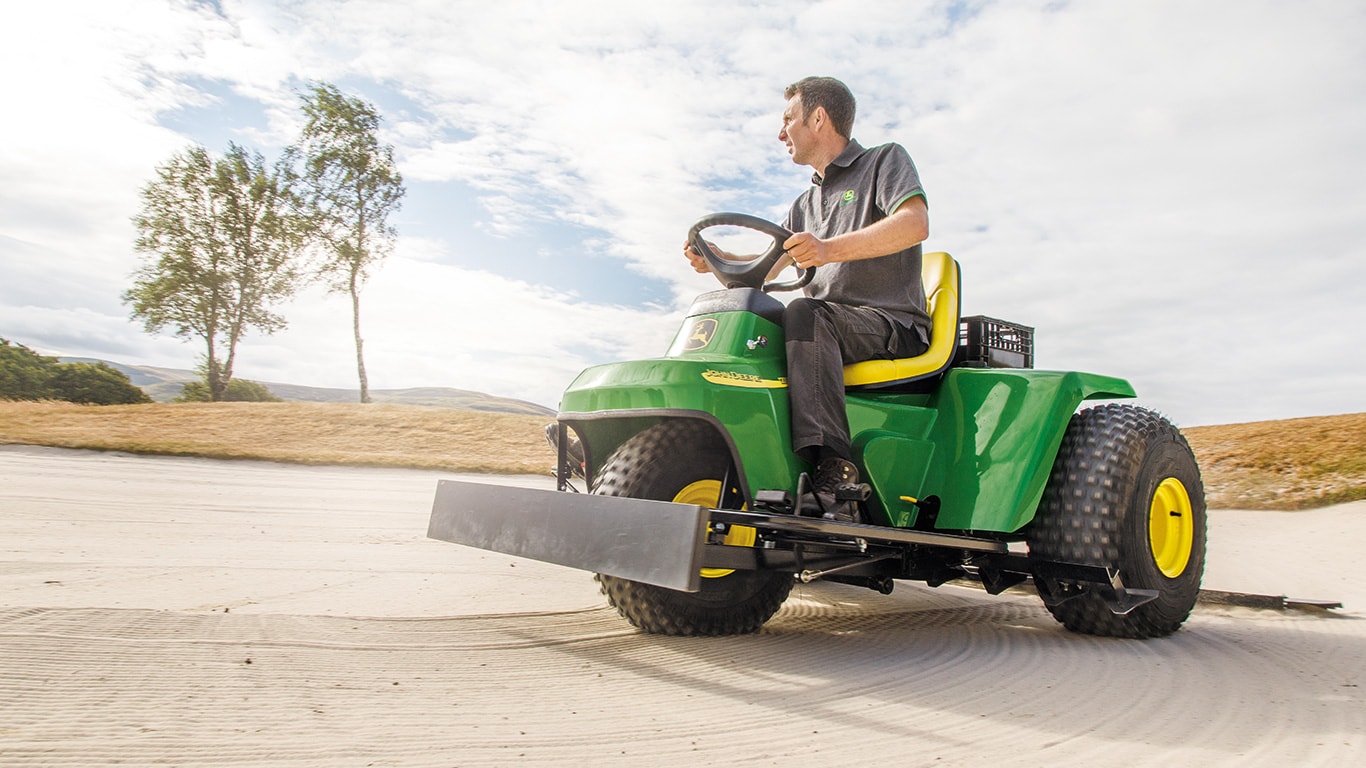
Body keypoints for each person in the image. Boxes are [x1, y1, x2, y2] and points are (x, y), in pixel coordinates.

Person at [685, 76, 931, 523]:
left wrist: (828, 249)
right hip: (826, 324)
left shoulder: (883, 161)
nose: (781, 133)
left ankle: (835, 471)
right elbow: (768, 265)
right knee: (764, 322)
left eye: (788, 120)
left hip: (891, 322)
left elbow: (914, 224)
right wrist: (717, 258)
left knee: (803, 312)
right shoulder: (804, 202)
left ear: (818, 118)